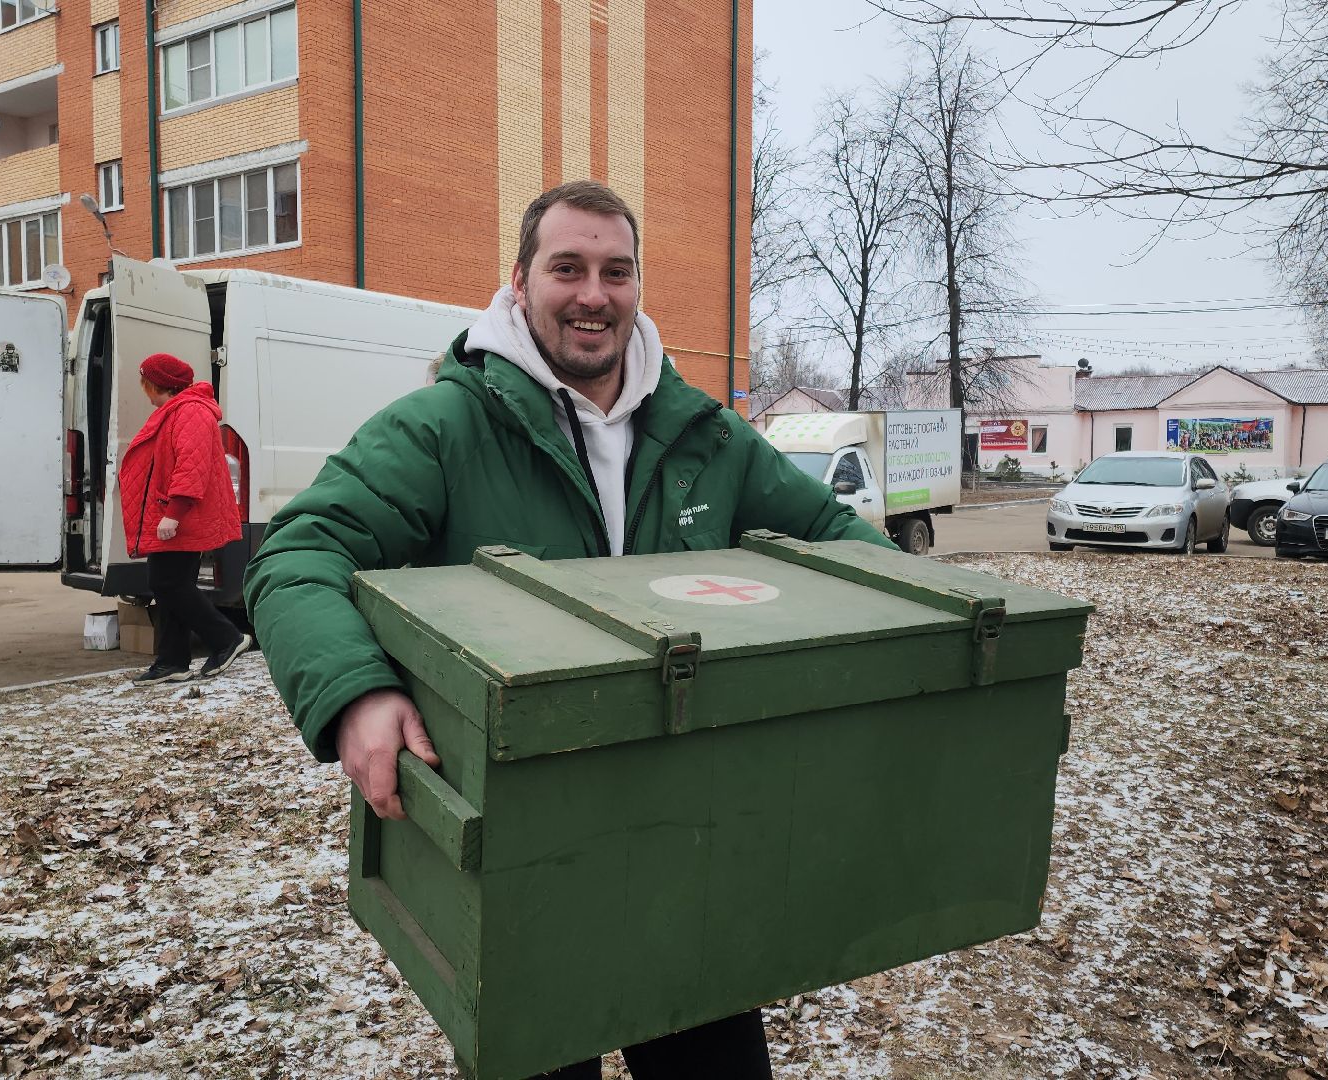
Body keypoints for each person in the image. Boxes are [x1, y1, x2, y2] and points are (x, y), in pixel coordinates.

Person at [244, 180, 892, 1080]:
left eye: (616, 272)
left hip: (690, 837)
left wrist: (928, 616)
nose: (594, 294)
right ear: (520, 282)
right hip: (525, 843)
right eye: (568, 268)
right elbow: (297, 553)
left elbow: (833, 535)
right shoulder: (445, 426)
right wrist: (355, 693)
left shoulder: (707, 435)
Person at [117, 352, 253, 685]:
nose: (144, 391)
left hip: (182, 516)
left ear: (158, 384)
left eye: (146, 384)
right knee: (171, 587)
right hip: (174, 514)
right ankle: (172, 661)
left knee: (167, 584)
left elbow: (191, 467)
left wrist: (173, 514)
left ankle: (228, 638)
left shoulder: (191, 411)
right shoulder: (178, 411)